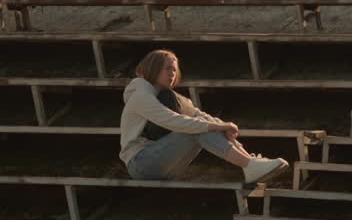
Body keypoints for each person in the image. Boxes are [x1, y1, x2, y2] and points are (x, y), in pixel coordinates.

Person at [120, 49, 289, 186]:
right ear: (153, 68)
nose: (172, 73)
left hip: (165, 163)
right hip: (140, 163)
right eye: (167, 68)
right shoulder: (140, 95)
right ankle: (249, 165)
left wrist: (224, 127)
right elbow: (172, 120)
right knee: (196, 129)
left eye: (174, 69)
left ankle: (250, 163)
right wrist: (217, 127)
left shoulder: (171, 97)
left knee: (203, 125)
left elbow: (199, 115)